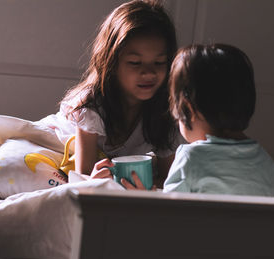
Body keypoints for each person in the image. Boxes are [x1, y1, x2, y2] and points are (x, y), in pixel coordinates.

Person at [124, 44, 274, 197]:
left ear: (189, 109)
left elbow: (168, 216)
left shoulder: (190, 159)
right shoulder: (266, 162)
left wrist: (146, 200)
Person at [59, 0, 183, 186]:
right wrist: (93, 179)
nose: (148, 73)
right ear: (111, 63)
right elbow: (83, 176)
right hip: (65, 135)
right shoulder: (92, 105)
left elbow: (168, 179)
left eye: (159, 63)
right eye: (135, 62)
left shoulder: (165, 111)